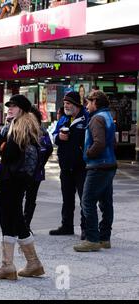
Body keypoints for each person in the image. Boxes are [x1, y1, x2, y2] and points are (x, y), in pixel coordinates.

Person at [0, 94, 44, 280]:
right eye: (9, 106)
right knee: (16, 218)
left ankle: (9, 266)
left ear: (22, 109)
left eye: (13, 106)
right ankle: (30, 263)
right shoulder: (26, 124)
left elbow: (9, 153)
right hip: (19, 179)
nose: (9, 108)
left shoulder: (20, 126)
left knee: (8, 218)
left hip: (13, 179)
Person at [74, 91, 117, 252]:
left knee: (87, 201)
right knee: (106, 202)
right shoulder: (107, 116)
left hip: (98, 165)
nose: (86, 105)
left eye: (88, 102)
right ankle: (105, 238)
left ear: (95, 102)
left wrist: (87, 153)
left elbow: (99, 143)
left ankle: (92, 239)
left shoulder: (96, 118)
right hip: (109, 164)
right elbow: (113, 141)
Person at [50, 91, 89, 238]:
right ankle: (66, 226)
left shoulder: (86, 118)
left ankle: (85, 228)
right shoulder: (63, 119)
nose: (65, 106)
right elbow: (54, 136)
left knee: (84, 199)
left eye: (69, 103)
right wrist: (59, 137)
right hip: (65, 166)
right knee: (67, 198)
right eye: (65, 103)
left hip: (82, 167)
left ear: (76, 105)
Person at [24, 107, 53, 233]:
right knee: (20, 197)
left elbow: (49, 148)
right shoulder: (21, 130)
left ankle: (26, 224)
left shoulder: (42, 131)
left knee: (31, 199)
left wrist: (40, 164)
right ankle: (21, 224)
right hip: (22, 172)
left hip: (35, 173)